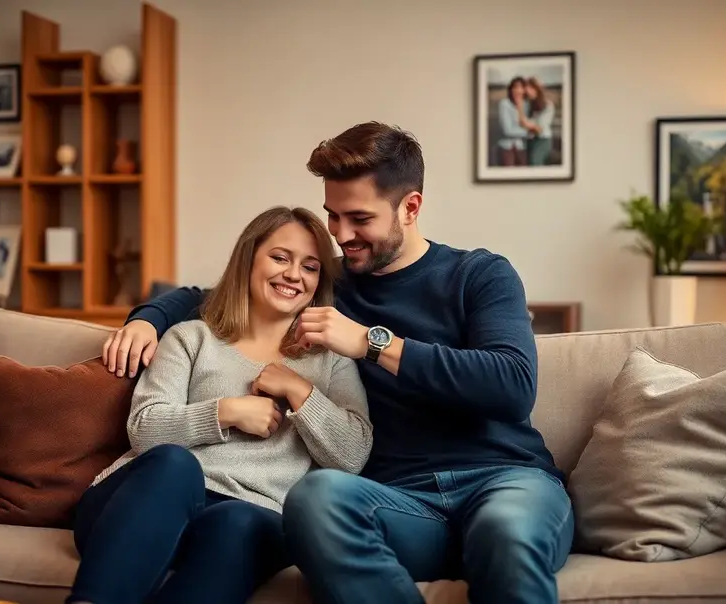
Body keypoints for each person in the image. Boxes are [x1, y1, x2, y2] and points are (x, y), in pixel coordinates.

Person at [103, 122, 573, 604]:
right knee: (316, 498)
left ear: (410, 207)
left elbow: (512, 385)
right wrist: (147, 319)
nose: (342, 236)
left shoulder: (479, 274)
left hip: (507, 482)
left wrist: (371, 343)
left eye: (359, 218)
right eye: (333, 216)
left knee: (505, 533)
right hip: (399, 501)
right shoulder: (328, 283)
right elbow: (216, 295)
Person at [71, 206, 373, 604]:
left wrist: (301, 392)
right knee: (175, 465)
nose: (294, 275)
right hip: (143, 503)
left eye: (311, 267)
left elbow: (352, 455)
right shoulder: (190, 338)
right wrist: (226, 412)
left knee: (239, 522)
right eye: (280, 258)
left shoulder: (332, 359)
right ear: (249, 259)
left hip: (250, 515)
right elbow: (144, 429)